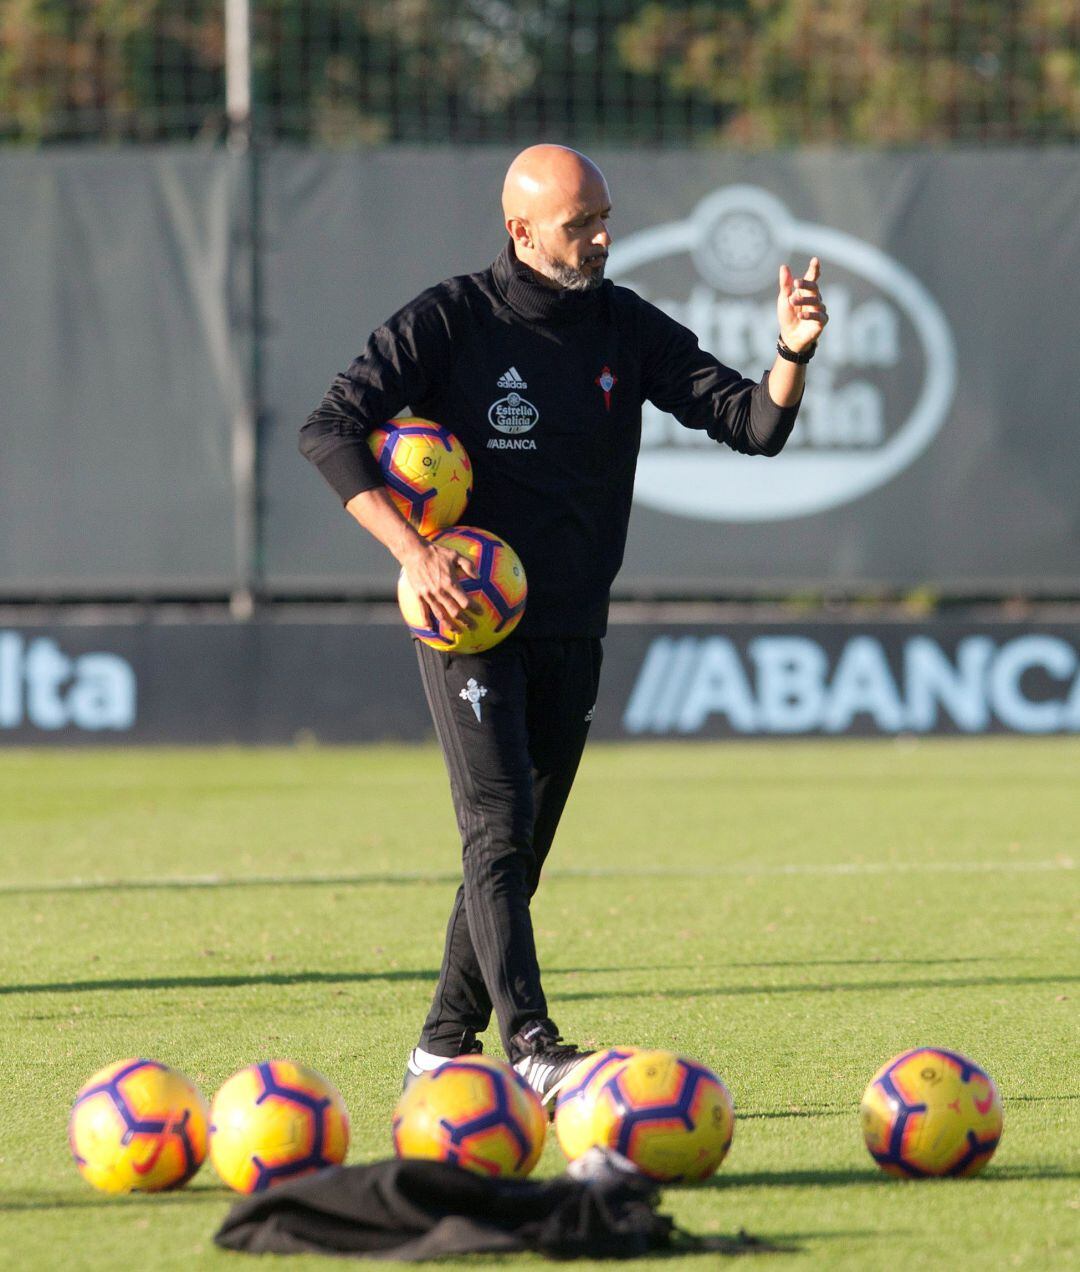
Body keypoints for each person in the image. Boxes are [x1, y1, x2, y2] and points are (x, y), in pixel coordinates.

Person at [299, 145, 828, 1106]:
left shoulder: (625, 327)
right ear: (522, 231)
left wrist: (791, 352)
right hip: (468, 618)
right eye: (581, 224)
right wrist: (414, 556)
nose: (600, 238)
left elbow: (754, 425)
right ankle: (531, 1046)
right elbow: (330, 429)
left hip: (575, 622)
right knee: (496, 829)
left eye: (603, 217)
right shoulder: (453, 318)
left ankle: (437, 1051)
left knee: (520, 850)